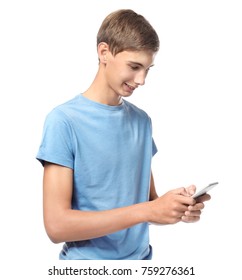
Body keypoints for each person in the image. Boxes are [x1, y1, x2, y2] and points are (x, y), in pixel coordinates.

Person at [36, 9, 211, 260]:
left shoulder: (142, 121)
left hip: (141, 264)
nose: (141, 80)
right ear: (104, 52)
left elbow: (147, 204)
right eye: (134, 66)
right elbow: (56, 226)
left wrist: (175, 208)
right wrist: (148, 210)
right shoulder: (63, 122)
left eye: (148, 69)